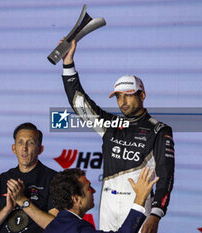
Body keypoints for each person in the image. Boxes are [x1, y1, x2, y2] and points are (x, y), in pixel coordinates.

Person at [59, 40, 175, 233]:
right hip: (107, 210)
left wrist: (156, 214)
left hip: (138, 208)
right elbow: (80, 103)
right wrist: (68, 63)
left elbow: (166, 176)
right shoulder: (111, 125)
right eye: (118, 96)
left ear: (142, 95)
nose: (123, 101)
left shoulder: (160, 130)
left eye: (128, 95)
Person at [0, 122, 58, 233]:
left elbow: (55, 226)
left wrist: (21, 200)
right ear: (14, 148)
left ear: (40, 149)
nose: (24, 148)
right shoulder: (3, 179)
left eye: (30, 143)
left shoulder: (53, 179)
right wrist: (7, 209)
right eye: (20, 142)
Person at [44, 167, 159, 233]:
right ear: (76, 199)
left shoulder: (53, 226)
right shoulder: (78, 229)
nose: (94, 191)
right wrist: (140, 198)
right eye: (88, 188)